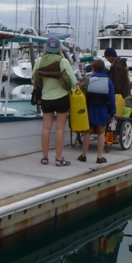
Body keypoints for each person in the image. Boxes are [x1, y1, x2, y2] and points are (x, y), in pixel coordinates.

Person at [32, 35, 77, 166]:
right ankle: (58, 159)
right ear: (59, 48)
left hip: (46, 98)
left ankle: (45, 157)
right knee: (60, 129)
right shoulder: (63, 62)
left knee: (46, 128)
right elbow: (73, 82)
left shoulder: (39, 61)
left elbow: (33, 79)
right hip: (62, 98)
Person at [77, 59, 115, 164]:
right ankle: (99, 157)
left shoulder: (88, 80)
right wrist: (112, 113)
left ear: (93, 69)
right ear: (103, 69)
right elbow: (112, 99)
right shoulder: (108, 82)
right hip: (103, 110)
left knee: (87, 132)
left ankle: (83, 155)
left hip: (90, 110)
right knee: (101, 133)